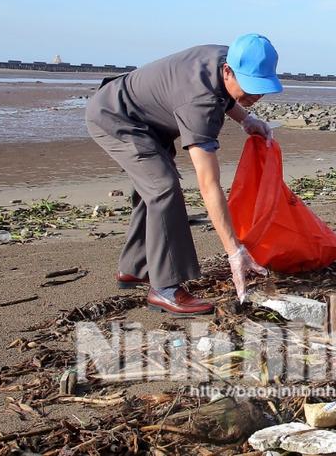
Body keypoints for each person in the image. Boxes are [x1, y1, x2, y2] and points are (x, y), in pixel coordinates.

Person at [85, 35, 282, 315]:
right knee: (162, 188)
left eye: (262, 88)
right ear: (228, 70)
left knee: (152, 188)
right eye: (250, 87)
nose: (255, 96)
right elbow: (208, 183)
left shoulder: (230, 58)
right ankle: (164, 288)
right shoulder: (198, 103)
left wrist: (246, 119)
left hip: (144, 117)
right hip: (115, 117)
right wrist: (234, 251)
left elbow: (222, 93)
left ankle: (135, 267)